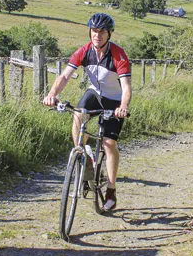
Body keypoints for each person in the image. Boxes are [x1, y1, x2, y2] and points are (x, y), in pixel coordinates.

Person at [42, 12, 131, 212]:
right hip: (95, 94)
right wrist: (51, 94)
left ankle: (111, 189)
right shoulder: (84, 51)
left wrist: (123, 107)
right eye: (93, 31)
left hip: (114, 99)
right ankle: (82, 157)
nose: (96, 35)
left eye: (101, 32)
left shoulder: (118, 54)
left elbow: (126, 86)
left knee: (109, 144)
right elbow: (65, 76)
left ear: (109, 34)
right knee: (78, 114)